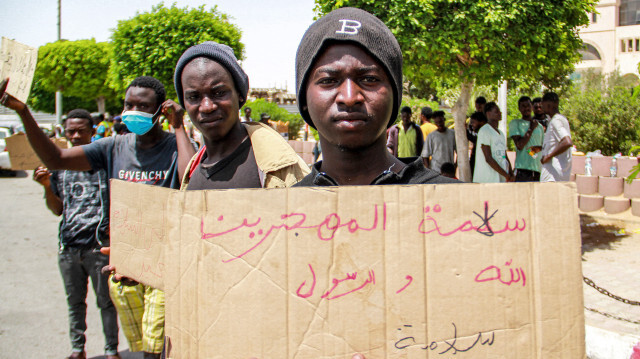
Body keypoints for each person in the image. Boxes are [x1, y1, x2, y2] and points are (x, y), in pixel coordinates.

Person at [0, 75, 195, 359]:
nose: (133, 111)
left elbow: (190, 178)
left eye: (142, 106)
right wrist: (22, 110)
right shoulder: (112, 147)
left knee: (157, 345)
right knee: (142, 346)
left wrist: (178, 127)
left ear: (160, 111)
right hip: (125, 268)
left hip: (165, 267)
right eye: (128, 104)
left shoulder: (173, 147)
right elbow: (56, 159)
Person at [293, 7, 456, 186]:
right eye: (328, 80)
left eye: (369, 79)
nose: (349, 97)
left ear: (395, 95)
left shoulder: (461, 206)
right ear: (304, 100)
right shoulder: (277, 210)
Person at [33, 109, 119, 359]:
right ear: (65, 133)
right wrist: (47, 186)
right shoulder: (58, 167)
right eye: (71, 131)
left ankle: (111, 350)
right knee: (75, 303)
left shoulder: (105, 162)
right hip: (69, 248)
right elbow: (57, 209)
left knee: (106, 303)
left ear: (94, 131)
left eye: (82, 130)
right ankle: (77, 349)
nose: (76, 135)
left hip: (99, 247)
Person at [172, 41, 310, 191]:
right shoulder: (192, 174)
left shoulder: (279, 166)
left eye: (219, 93)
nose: (207, 107)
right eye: (194, 97)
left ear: (239, 94)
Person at [473, 102, 513, 183]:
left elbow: (504, 155)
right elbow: (488, 158)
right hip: (486, 179)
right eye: (496, 111)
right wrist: (506, 175)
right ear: (488, 114)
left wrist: (511, 174)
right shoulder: (485, 131)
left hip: (499, 179)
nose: (500, 113)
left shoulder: (501, 133)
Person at [509, 96, 544, 182]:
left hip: (537, 171)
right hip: (522, 170)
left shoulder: (539, 127)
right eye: (523, 106)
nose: (526, 108)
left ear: (532, 106)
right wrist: (531, 129)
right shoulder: (515, 123)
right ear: (519, 109)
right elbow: (520, 145)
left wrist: (531, 151)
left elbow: (541, 147)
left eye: (528, 105)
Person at [540, 92, 573, 182]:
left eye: (543, 105)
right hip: (559, 174)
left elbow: (567, 142)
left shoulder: (556, 120)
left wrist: (548, 156)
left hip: (552, 174)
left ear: (550, 105)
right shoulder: (562, 119)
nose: (542, 107)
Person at [467, 111, 488, 178]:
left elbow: (476, 140)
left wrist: (466, 132)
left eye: (473, 122)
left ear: (482, 122)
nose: (471, 124)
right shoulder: (478, 132)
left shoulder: (485, 133)